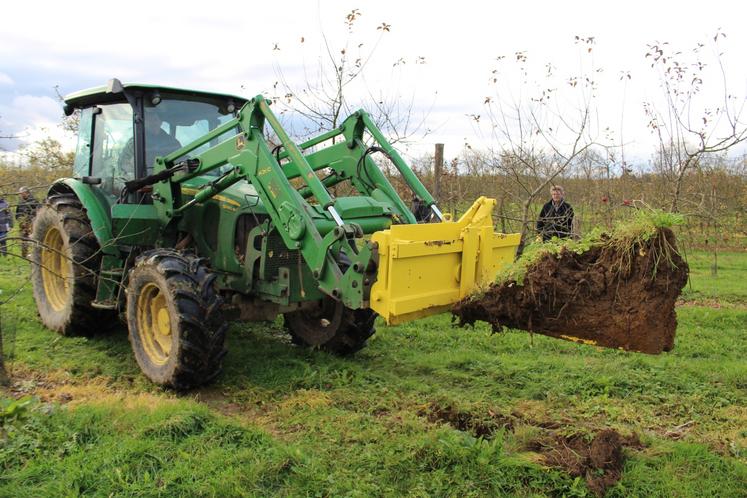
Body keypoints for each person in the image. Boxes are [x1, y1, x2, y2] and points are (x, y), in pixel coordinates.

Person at [15, 186, 40, 257]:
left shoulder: (34, 201)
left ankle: (34, 254)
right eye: (20, 193)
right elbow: (17, 213)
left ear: (26, 193)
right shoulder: (20, 202)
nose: (20, 195)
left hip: (31, 224)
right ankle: (24, 254)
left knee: (32, 238)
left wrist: (31, 221)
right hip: (22, 224)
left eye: (21, 193)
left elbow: (38, 212)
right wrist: (19, 220)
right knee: (23, 239)